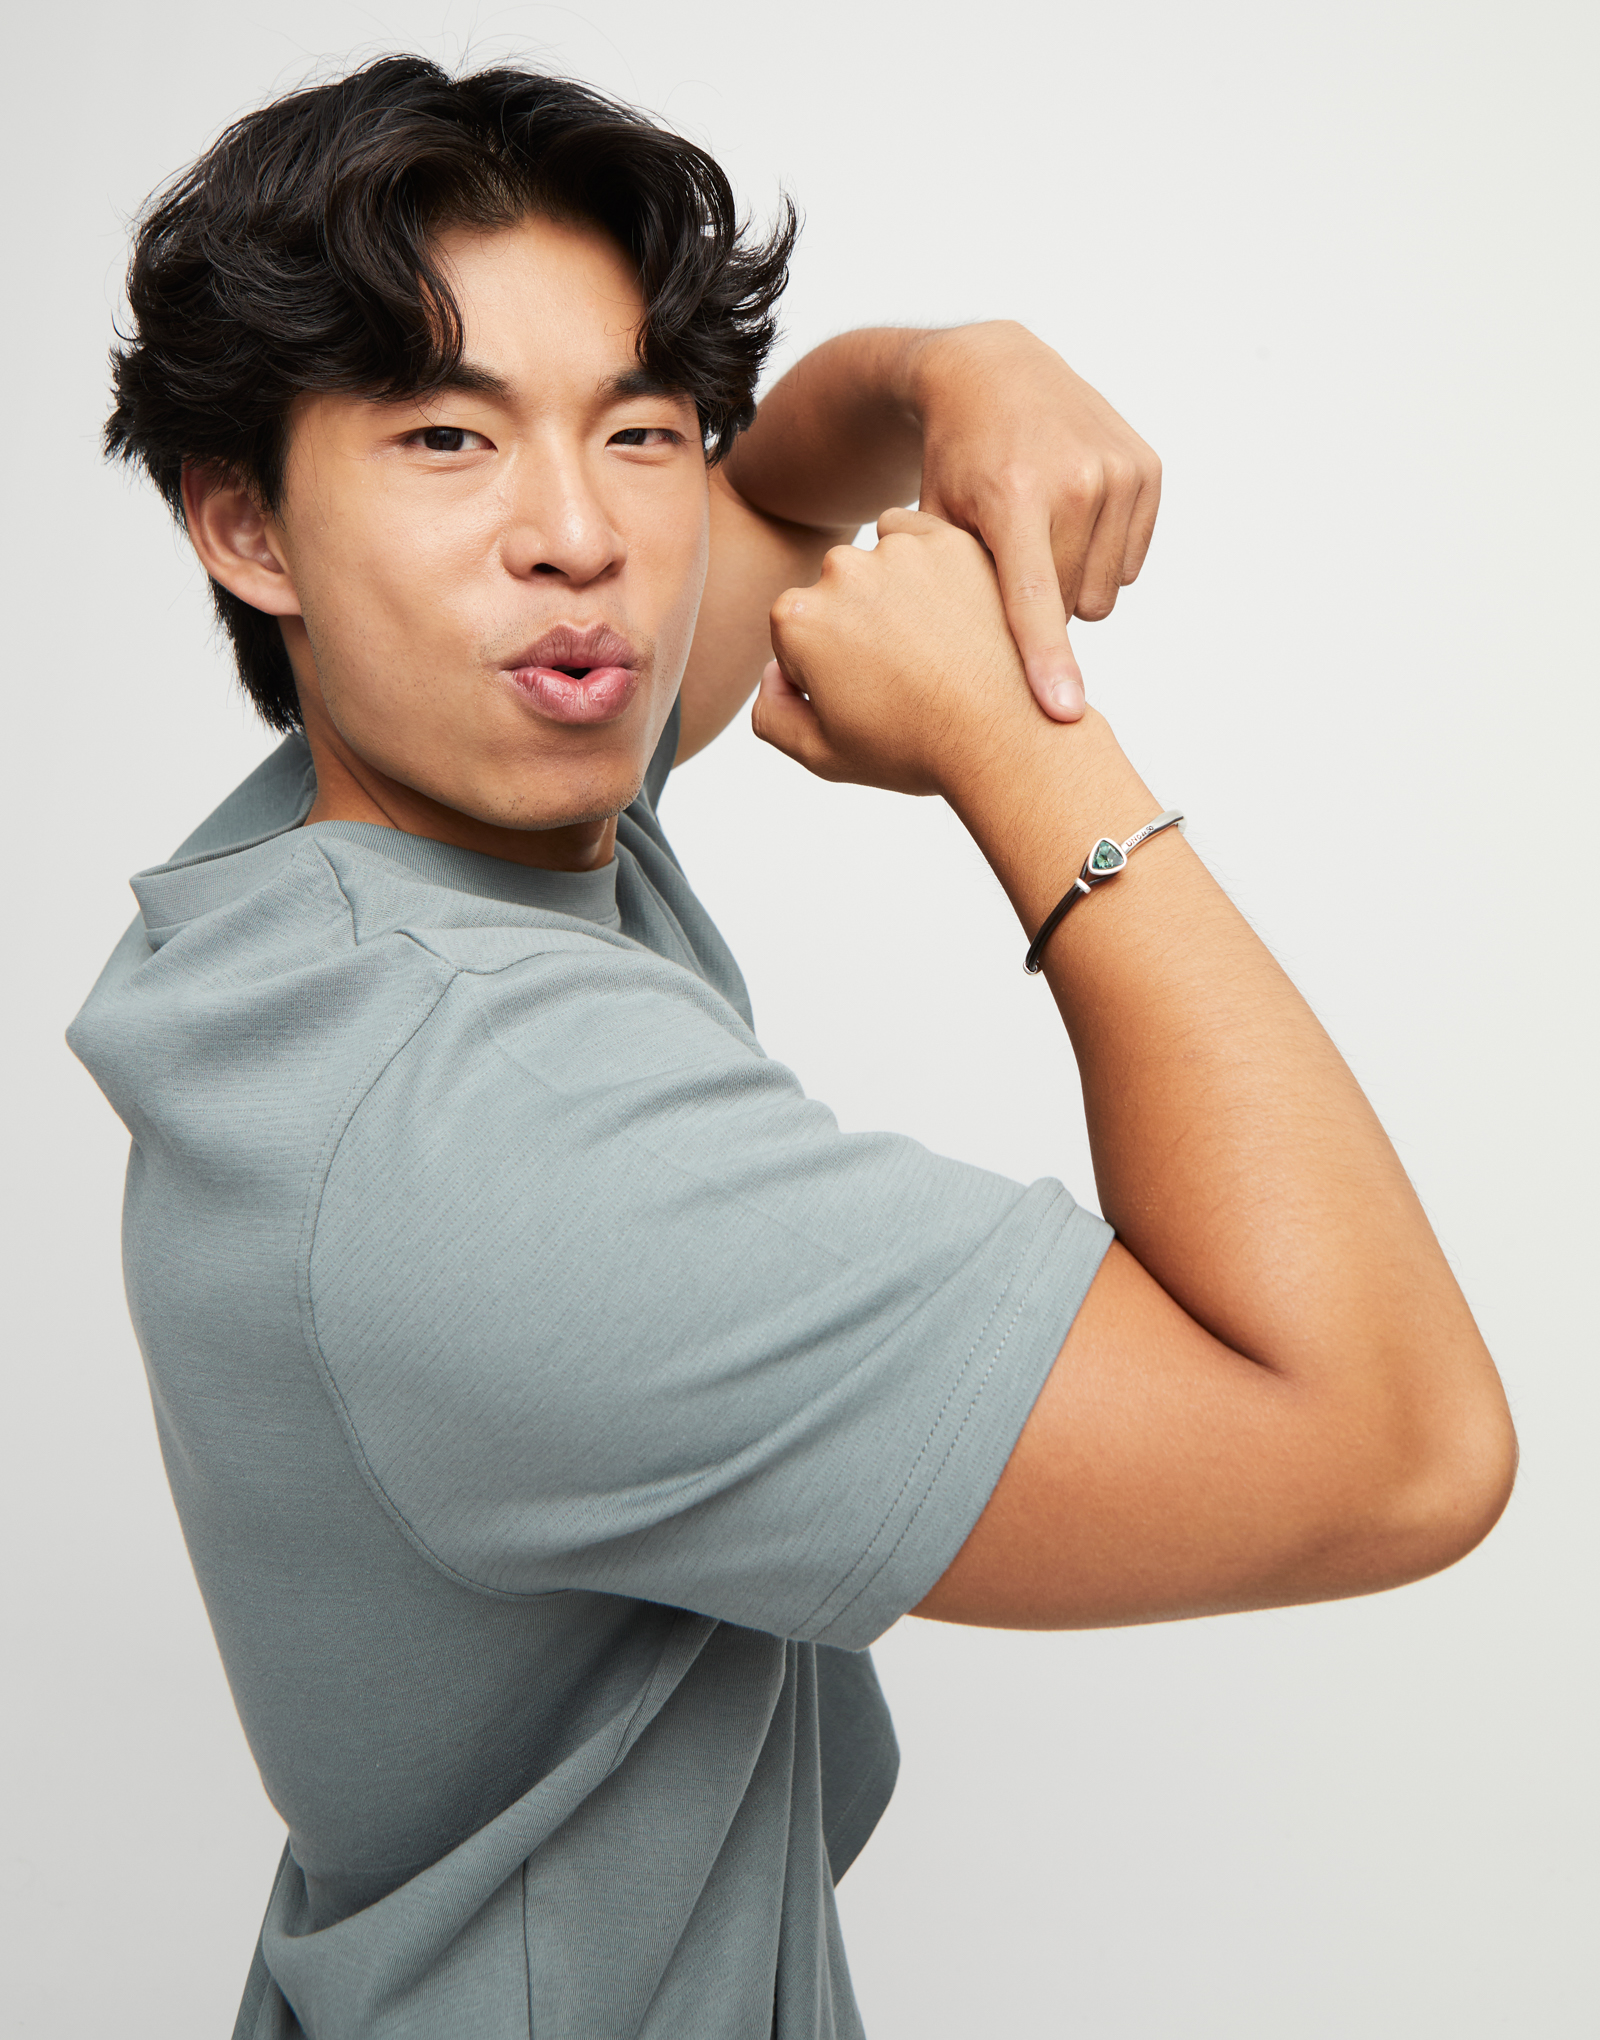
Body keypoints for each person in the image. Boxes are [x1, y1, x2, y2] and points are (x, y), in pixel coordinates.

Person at [68, 52, 1516, 2040]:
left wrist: (938, 378)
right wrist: (1034, 757)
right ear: (244, 525)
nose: (578, 536)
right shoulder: (495, 1126)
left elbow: (762, 494)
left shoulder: (355, 886)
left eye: (631, 428)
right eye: (443, 441)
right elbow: (1392, 1447)